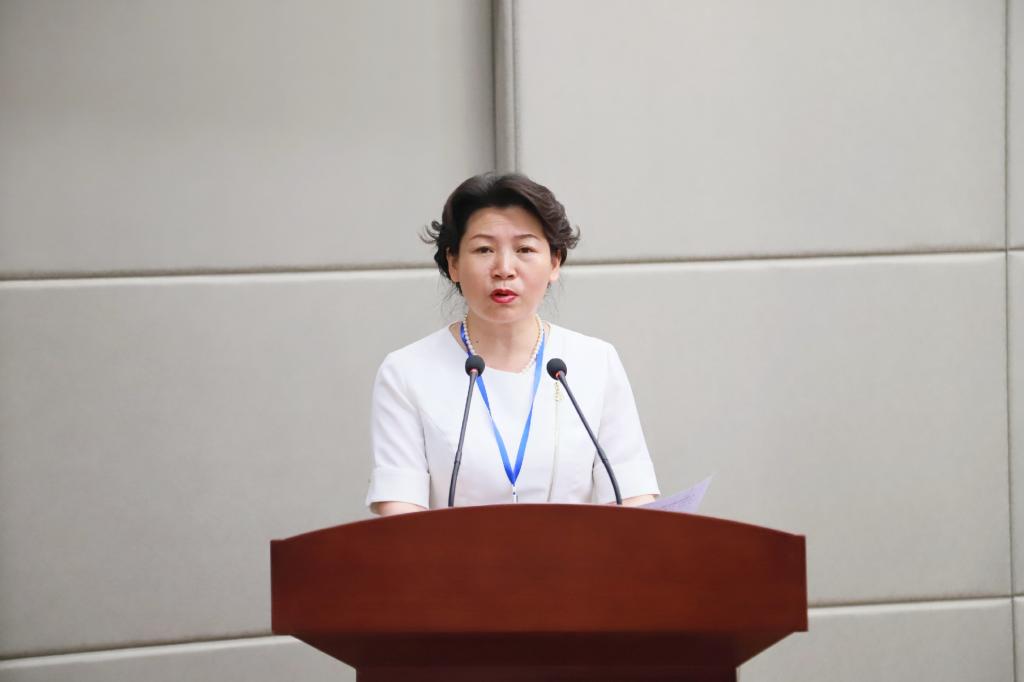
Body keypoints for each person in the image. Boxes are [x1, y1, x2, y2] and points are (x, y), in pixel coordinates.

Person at [366, 172, 659, 515]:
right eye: (484, 249)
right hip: (450, 553)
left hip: (573, 553)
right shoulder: (406, 371)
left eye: (524, 249)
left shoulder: (594, 361)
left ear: (554, 262)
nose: (504, 269)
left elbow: (633, 499)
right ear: (453, 263)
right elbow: (400, 510)